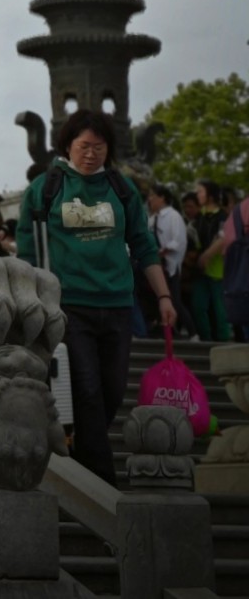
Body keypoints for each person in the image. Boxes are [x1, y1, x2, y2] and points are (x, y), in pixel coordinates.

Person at [16, 108, 175, 484]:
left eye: (99, 147)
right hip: (69, 306)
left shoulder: (121, 189)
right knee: (86, 389)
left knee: (113, 389)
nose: (91, 154)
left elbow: (143, 246)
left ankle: (77, 454)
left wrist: (164, 297)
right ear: (68, 146)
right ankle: (102, 481)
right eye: (84, 146)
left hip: (117, 304)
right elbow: (27, 252)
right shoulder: (47, 188)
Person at [187, 178, 233, 343]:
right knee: (198, 305)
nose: (197, 194)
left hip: (218, 270)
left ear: (211, 196)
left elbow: (223, 239)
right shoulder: (198, 218)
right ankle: (205, 339)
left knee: (220, 309)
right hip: (201, 271)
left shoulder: (223, 216)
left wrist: (206, 256)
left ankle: (223, 340)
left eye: (200, 191)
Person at [146, 184, 194, 334]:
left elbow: (178, 241)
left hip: (169, 265)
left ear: (162, 198)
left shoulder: (173, 216)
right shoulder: (152, 218)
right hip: (155, 264)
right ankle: (164, 331)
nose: (150, 199)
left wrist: (162, 252)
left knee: (173, 299)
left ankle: (193, 331)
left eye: (153, 196)